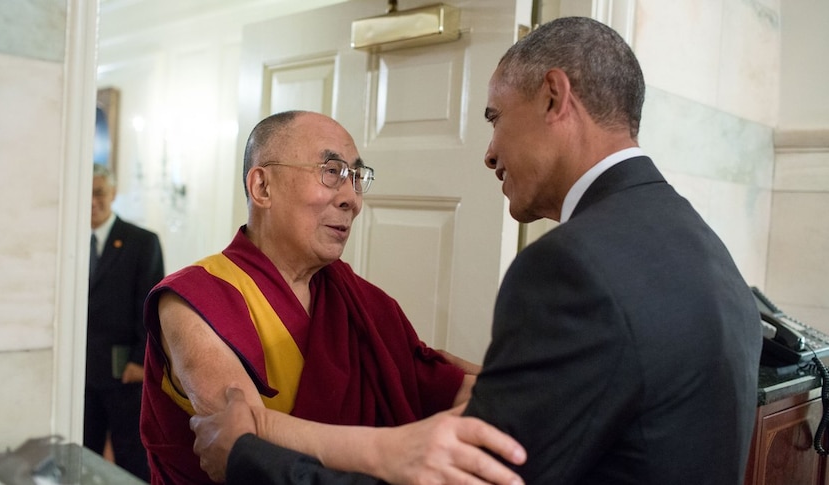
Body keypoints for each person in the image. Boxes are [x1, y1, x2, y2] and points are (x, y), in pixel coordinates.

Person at [189, 16, 764, 485]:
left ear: (553, 97)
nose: (488, 153)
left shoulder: (573, 266)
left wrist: (249, 455)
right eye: (329, 172)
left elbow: (474, 475)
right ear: (261, 186)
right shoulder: (708, 250)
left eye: (495, 118)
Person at [138, 110, 525, 485]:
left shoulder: (362, 303)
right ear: (262, 187)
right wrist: (398, 449)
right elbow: (244, 446)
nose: (351, 200)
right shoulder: (194, 300)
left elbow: (432, 381)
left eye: (357, 178)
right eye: (332, 172)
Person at [85, 163, 164, 481]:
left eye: (99, 192)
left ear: (113, 194)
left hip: (124, 374)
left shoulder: (141, 241)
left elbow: (152, 306)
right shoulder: (69, 242)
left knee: (131, 455)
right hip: (81, 374)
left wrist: (139, 360)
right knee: (84, 453)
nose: (92, 201)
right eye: (86, 193)